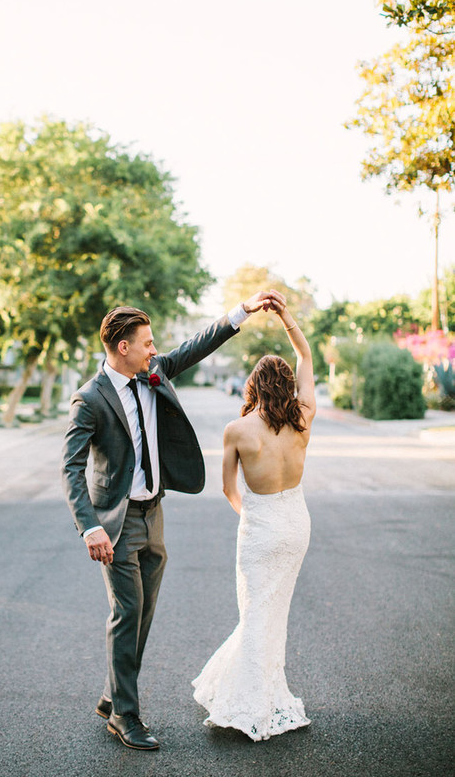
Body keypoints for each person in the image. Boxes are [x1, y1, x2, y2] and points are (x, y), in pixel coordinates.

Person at [61, 291, 269, 751]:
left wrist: (241, 312)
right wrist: (90, 526)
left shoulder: (153, 372)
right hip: (116, 522)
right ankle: (125, 715)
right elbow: (71, 468)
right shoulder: (90, 399)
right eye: (147, 342)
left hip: (154, 512)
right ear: (123, 348)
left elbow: (196, 346)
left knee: (144, 611)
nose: (154, 349)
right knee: (127, 611)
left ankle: (115, 691)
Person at [192, 289, 316, 741]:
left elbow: (226, 488)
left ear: (252, 386)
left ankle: (248, 704)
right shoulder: (304, 415)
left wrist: (252, 517)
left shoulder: (238, 430)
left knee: (255, 613)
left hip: (261, 529)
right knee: (273, 614)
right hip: (296, 525)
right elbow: (304, 353)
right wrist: (285, 318)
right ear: (287, 386)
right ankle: (266, 693)